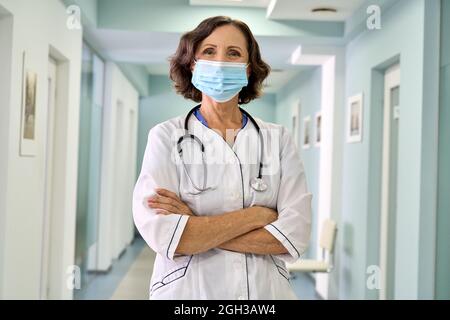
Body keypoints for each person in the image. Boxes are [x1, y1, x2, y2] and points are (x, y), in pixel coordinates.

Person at [132, 16, 312, 300]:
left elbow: (294, 236)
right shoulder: (165, 137)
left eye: (234, 53)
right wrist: (256, 217)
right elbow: (165, 235)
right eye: (209, 51)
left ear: (248, 68)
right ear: (192, 64)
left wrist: (196, 224)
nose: (220, 62)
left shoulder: (277, 139)